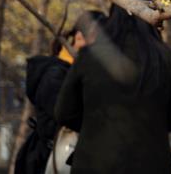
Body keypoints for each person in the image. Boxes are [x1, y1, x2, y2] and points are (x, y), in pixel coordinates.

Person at [55, 0, 171, 173]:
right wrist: (152, 125)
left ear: (113, 15)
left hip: (94, 161)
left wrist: (94, 127)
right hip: (151, 163)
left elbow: (64, 112)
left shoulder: (90, 55)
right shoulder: (167, 56)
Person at [14, 11, 104, 174]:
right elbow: (69, 115)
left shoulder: (83, 72)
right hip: (51, 158)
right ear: (79, 37)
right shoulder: (55, 74)